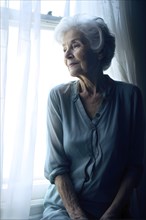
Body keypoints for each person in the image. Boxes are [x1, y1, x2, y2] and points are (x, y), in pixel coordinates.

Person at [42, 14, 145, 220]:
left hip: (112, 212)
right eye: (64, 49)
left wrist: (111, 214)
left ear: (98, 51)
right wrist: (78, 216)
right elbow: (57, 167)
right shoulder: (58, 98)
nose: (67, 55)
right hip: (64, 210)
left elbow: (134, 167)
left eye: (75, 45)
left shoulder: (130, 97)